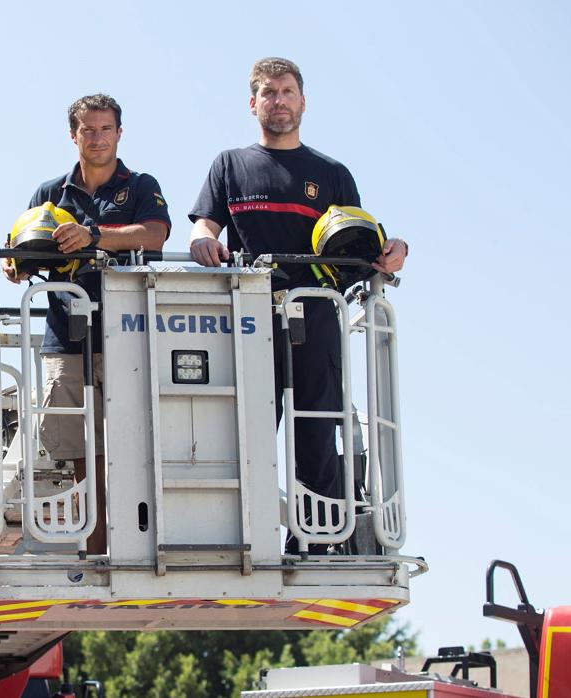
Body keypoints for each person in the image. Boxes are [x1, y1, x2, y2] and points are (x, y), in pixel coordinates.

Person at [187, 58, 408, 552]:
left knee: (316, 427)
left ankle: (314, 537)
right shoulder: (230, 164)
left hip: (317, 314)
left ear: (302, 101)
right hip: (247, 319)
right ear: (253, 104)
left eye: (287, 91)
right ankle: (244, 534)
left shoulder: (331, 174)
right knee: (249, 430)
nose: (279, 100)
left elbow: (363, 244)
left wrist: (397, 250)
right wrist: (202, 238)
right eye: (268, 92)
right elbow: (205, 225)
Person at [3, 93, 170, 554]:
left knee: (133, 440)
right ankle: (96, 548)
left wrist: (94, 236)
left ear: (119, 133)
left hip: (128, 332)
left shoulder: (139, 186)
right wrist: (15, 265)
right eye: (87, 130)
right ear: (73, 136)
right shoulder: (48, 194)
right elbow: (22, 247)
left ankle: (137, 544)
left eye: (105, 129)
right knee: (80, 448)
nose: (97, 138)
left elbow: (156, 233)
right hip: (66, 336)